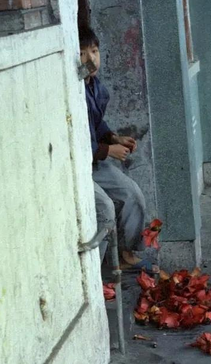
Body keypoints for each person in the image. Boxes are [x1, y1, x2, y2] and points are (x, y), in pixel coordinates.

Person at [79, 26, 156, 273]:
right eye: (82, 53)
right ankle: (95, 274)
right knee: (105, 209)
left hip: (95, 161)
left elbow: (96, 123)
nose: (91, 59)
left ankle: (126, 254)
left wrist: (114, 137)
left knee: (132, 195)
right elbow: (73, 141)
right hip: (76, 166)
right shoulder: (71, 89)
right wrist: (107, 151)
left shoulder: (95, 87)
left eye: (94, 51)